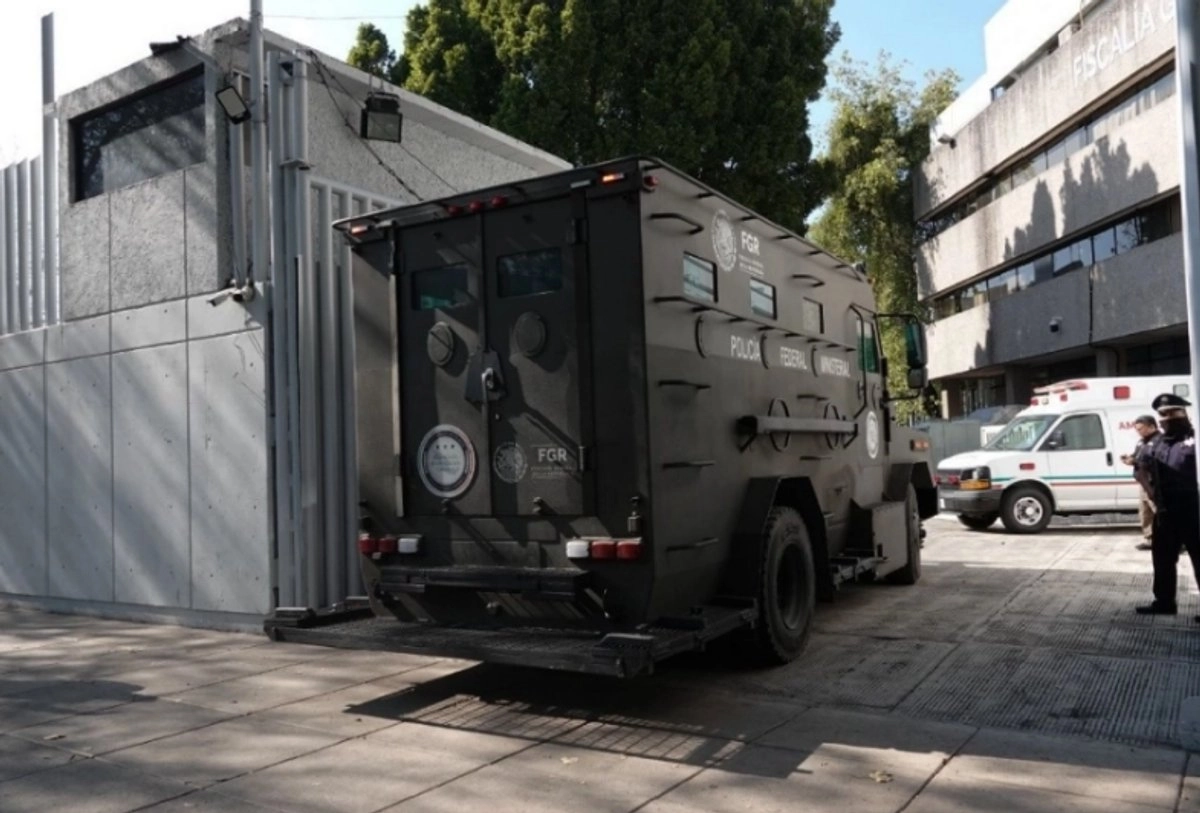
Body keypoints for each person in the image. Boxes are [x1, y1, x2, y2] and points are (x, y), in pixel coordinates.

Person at [1136, 393, 1200, 618]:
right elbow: (1141, 468)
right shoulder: (1157, 443)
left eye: (1172, 413)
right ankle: (1164, 602)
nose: (1167, 419)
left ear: (1183, 414)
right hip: (1166, 511)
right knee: (1162, 559)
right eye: (1163, 415)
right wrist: (1152, 494)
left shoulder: (1195, 439)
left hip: (1194, 511)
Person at [1121, 415, 1161, 551]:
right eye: (1137, 429)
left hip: (1154, 483)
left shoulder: (1159, 441)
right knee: (1145, 513)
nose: (1138, 432)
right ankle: (1150, 539)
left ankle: (1175, 541)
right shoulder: (1141, 442)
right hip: (1143, 482)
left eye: (1141, 429)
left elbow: (1157, 461)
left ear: (1152, 426)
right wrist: (1130, 459)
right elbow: (1137, 455)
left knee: (1160, 512)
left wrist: (1136, 462)